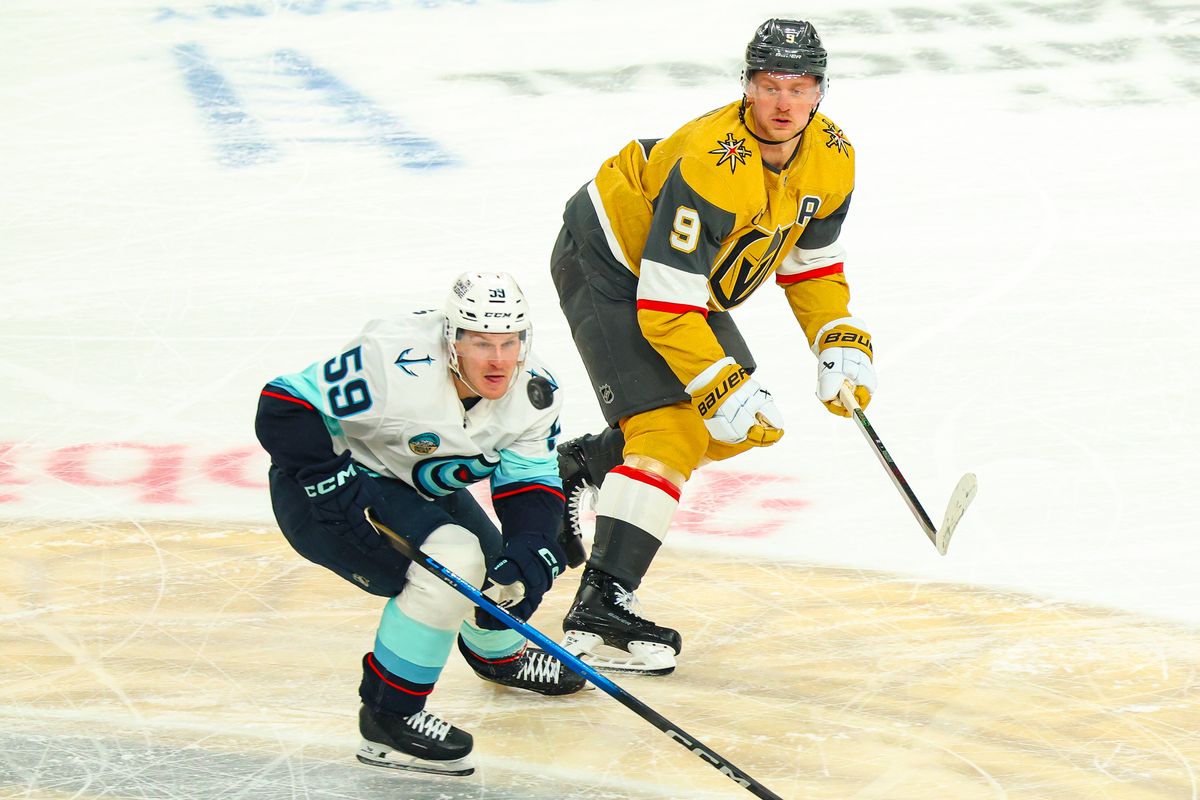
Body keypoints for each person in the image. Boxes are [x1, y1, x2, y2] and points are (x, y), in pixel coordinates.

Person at [549, 19, 877, 676]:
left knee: (741, 426)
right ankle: (601, 603)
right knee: (674, 429)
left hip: (680, 280)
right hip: (612, 262)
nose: (784, 103)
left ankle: (586, 463)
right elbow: (666, 308)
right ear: (747, 86)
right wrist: (719, 379)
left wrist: (835, 337)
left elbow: (811, 264)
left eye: (800, 86)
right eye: (768, 84)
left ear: (820, 92)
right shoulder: (711, 164)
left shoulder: (833, 155)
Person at [254, 271, 584, 777]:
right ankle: (389, 718)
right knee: (451, 562)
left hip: (410, 484)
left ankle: (497, 653)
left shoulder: (535, 392)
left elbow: (529, 482)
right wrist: (330, 484)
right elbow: (284, 406)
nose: (499, 360)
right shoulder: (391, 358)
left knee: (502, 569)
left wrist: (534, 541)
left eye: (510, 342)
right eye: (481, 343)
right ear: (452, 340)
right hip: (322, 488)